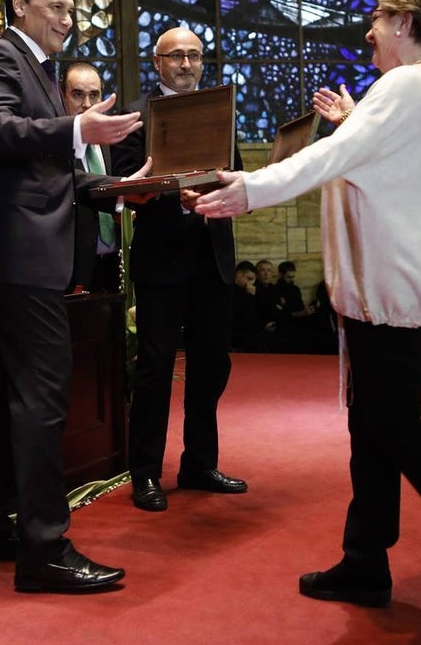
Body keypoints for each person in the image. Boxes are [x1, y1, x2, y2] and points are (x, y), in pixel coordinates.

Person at [191, 0, 421, 629]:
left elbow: (324, 162)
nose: (370, 30)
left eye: (380, 19)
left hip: (395, 287)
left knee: (394, 427)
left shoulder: (407, 86)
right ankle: (366, 560)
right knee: (372, 422)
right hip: (400, 282)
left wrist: (245, 190)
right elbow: (380, 159)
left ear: (406, 25)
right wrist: (356, 120)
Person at [0, 0, 152, 594]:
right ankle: (44, 550)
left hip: (21, 256)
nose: (68, 19)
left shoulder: (39, 70)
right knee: (43, 397)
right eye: (55, 7)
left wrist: (116, 191)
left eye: (71, 10)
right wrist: (76, 129)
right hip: (17, 257)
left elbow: (42, 175)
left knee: (1, 394)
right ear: (18, 6)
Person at [110, 25, 248, 513]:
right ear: (157, 62)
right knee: (154, 369)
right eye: (176, 57)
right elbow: (124, 186)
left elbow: (236, 174)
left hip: (213, 258)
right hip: (162, 258)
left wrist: (229, 195)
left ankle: (199, 464)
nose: (186, 65)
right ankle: (145, 473)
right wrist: (176, 196)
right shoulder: (136, 118)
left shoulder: (219, 112)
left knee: (212, 366)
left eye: (194, 56)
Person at [62, 61, 121, 291]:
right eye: (78, 94)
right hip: (73, 268)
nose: (87, 105)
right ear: (62, 95)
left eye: (94, 95)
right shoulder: (55, 144)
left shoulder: (111, 141)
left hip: (113, 263)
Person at [230, 260, 260, 352]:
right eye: (249, 279)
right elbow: (243, 314)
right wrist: (250, 297)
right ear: (239, 274)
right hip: (234, 335)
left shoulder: (247, 290)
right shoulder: (230, 291)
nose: (250, 283)